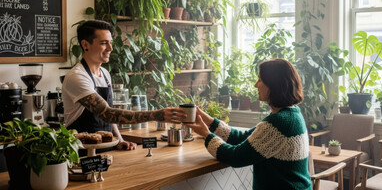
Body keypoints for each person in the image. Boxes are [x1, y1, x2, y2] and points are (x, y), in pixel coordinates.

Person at [186, 58, 311, 190]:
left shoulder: (280, 122)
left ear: (274, 84)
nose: (255, 85)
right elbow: (243, 138)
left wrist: (206, 135)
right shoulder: (291, 114)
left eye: (260, 80)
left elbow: (236, 157)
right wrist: (210, 121)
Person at [63, 20, 185, 151]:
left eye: (110, 42)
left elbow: (110, 114)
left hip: (105, 150)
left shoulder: (104, 74)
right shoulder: (77, 76)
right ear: (85, 45)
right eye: (104, 43)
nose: (110, 48)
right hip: (80, 153)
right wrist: (157, 115)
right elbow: (108, 114)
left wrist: (119, 140)